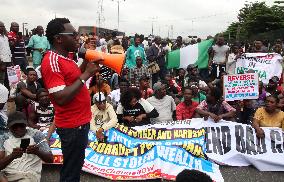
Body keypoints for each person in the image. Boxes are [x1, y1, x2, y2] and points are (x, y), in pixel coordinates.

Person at [41, 18, 101, 182]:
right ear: (59, 38)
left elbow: (73, 80)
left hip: (80, 124)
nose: (78, 38)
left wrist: (86, 65)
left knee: (74, 167)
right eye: (73, 34)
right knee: (71, 173)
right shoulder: (51, 61)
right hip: (72, 126)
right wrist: (86, 74)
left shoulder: (66, 57)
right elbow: (60, 98)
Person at [0, 111, 53, 182]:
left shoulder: (36, 135)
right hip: (7, 174)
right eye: (15, 126)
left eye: (21, 125)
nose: (19, 128)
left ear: (26, 124)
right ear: (9, 127)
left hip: (27, 175)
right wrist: (12, 156)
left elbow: (50, 159)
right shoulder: (4, 138)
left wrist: (37, 152)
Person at [0, 21, 12, 89]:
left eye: (3, 26)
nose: (2, 28)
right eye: (0, 26)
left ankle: (6, 94)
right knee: (1, 79)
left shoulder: (5, 37)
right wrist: (1, 63)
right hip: (2, 62)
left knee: (8, 79)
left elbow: (8, 49)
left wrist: (11, 61)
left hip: (8, 61)